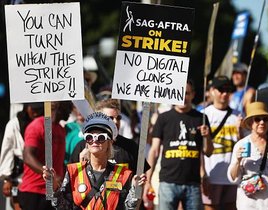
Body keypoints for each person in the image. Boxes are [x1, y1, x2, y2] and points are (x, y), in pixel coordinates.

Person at [42, 112, 146, 209]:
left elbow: (129, 208)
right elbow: (63, 207)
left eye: (101, 137)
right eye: (89, 137)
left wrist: (136, 191)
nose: (94, 141)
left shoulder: (124, 174)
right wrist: (54, 188)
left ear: (109, 143)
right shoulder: (73, 171)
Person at [143, 80, 214, 210]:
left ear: (193, 94)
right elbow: (154, 151)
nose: (183, 97)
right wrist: (148, 180)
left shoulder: (201, 118)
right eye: (179, 93)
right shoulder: (163, 118)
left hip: (193, 183)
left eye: (187, 93)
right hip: (167, 182)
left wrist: (207, 136)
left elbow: (208, 152)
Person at [70, 98, 150, 175]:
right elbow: (72, 177)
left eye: (118, 118)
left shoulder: (130, 146)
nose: (116, 122)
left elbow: (140, 176)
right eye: (110, 118)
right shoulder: (83, 146)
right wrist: (82, 165)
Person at [18, 101, 73, 210]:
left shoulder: (61, 129)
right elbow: (27, 157)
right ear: (58, 106)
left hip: (53, 191)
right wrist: (50, 175)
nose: (70, 112)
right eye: (68, 107)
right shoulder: (37, 125)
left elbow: (58, 159)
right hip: (34, 191)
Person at [202, 76, 240, 210]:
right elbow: (200, 149)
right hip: (211, 175)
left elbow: (244, 146)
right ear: (212, 91)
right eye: (221, 90)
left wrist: (240, 131)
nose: (225, 93)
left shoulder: (238, 116)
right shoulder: (204, 114)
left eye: (228, 90)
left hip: (232, 176)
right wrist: (203, 175)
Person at [0, 103, 43, 210]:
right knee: (17, 203)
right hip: (18, 179)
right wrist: (7, 179)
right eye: (33, 108)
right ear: (26, 107)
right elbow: (7, 150)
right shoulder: (14, 124)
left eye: (38, 109)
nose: (35, 112)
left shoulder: (44, 124)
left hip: (39, 178)